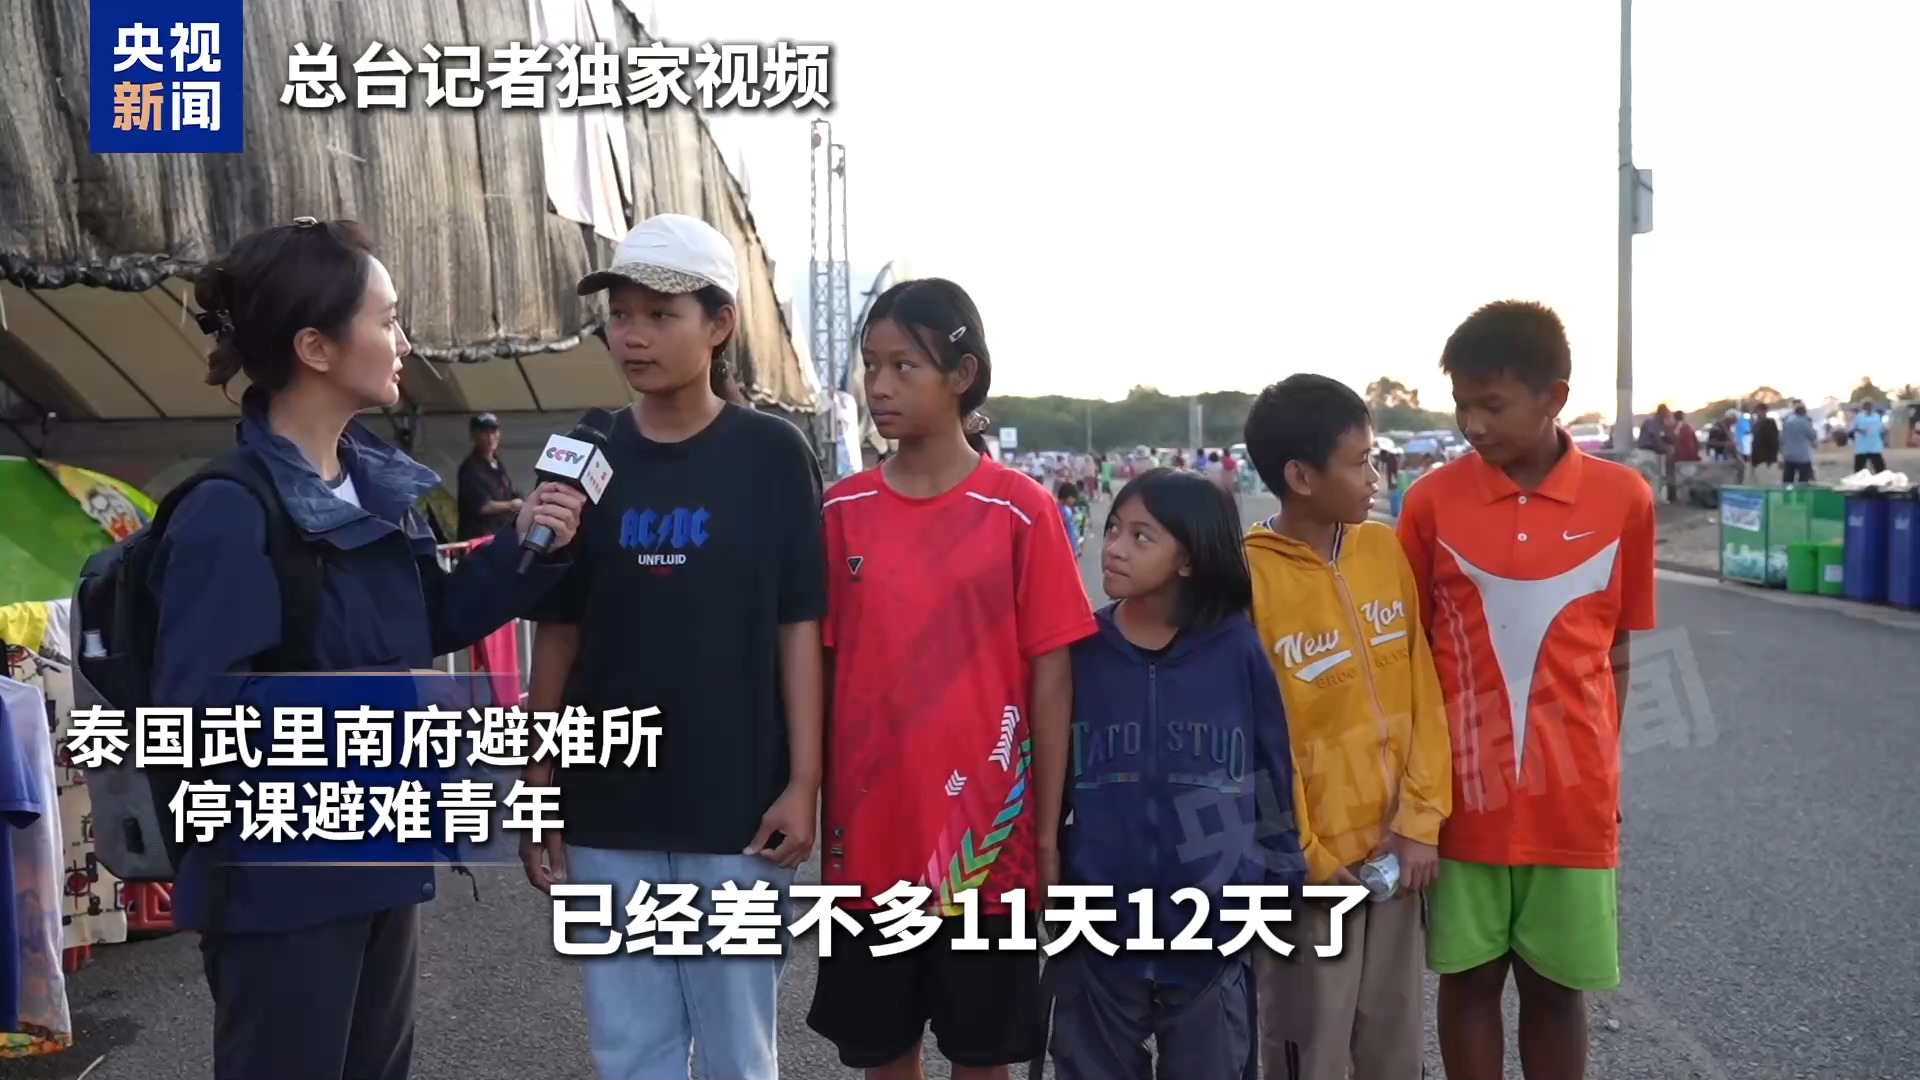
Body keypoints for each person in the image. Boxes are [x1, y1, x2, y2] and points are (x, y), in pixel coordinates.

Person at [152, 217, 585, 1080]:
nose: (404, 342)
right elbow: (195, 718)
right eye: (386, 320)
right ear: (314, 346)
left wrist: (527, 546)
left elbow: (430, 617)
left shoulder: (376, 489)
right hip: (279, 883)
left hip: (380, 855)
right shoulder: (230, 510)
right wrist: (398, 711)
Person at [519, 213, 827, 1080]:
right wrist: (538, 786)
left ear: (719, 323)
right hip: (606, 806)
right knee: (631, 1050)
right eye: (621, 315)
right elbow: (559, 633)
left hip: (737, 810)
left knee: (738, 1050)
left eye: (661, 315)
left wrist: (804, 782)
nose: (634, 336)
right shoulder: (585, 456)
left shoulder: (771, 454)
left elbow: (798, 626)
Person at [809, 278, 1096, 1080]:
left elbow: (1052, 683)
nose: (880, 386)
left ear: (963, 375)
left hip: (987, 851)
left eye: (904, 365)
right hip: (867, 849)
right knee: (883, 1055)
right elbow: (815, 673)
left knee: (982, 1057)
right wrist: (804, 792)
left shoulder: (1023, 511)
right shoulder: (838, 513)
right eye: (871, 365)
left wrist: (1045, 833)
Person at [1397, 300, 1655, 1080]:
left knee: (1555, 990)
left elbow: (1616, 650)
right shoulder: (1430, 502)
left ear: (1554, 397)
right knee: (1468, 984)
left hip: (1571, 800)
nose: (1472, 424)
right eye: (1461, 405)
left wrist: (1604, 770)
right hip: (1462, 798)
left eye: (1492, 404)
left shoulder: (1625, 500)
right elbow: (1409, 656)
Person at [1047, 467, 1304, 1080]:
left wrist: (1279, 876)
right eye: (1114, 529)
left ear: (1189, 558)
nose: (1114, 547)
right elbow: (1051, 775)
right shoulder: (1084, 650)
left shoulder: (1236, 649)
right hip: (1100, 926)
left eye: (1142, 536)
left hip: (1212, 927)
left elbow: (1269, 770)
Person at [1239, 374, 1451, 1080]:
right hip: (1309, 877)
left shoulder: (1382, 551)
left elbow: (1422, 688)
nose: (1375, 477)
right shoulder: (1247, 581)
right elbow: (1253, 744)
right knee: (1312, 1048)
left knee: (1394, 1046)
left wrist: (1420, 821)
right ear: (1300, 477)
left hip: (1395, 857)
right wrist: (1308, 856)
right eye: (1360, 462)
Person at [455, 412, 522, 540]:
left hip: (499, 534)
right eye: (484, 432)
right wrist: (511, 505)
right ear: (474, 435)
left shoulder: (497, 463)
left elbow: (506, 492)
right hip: (478, 539)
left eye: (493, 431)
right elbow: (482, 506)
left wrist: (520, 500)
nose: (490, 437)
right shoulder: (470, 468)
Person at [1781, 401, 1819, 484]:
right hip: (1802, 456)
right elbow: (1812, 435)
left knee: (1787, 481)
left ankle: (1787, 491)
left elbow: (1782, 437)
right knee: (1803, 481)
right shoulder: (1804, 422)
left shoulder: (1787, 421)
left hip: (1789, 455)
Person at [1851, 401, 1889, 474]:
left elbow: (1881, 429)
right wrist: (1861, 430)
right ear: (1863, 408)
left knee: (1880, 469)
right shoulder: (1859, 417)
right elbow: (1853, 428)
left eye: (1870, 406)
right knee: (1859, 470)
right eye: (1867, 406)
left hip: (1874, 446)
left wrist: (1883, 435)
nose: (1869, 408)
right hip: (1862, 447)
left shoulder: (1877, 416)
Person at [1750, 402, 1781, 482]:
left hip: (1767, 459)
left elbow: (1774, 441)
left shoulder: (1770, 423)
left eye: (1760, 411)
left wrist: (1771, 458)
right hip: (1757, 459)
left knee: (1767, 481)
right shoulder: (1756, 424)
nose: (1758, 414)